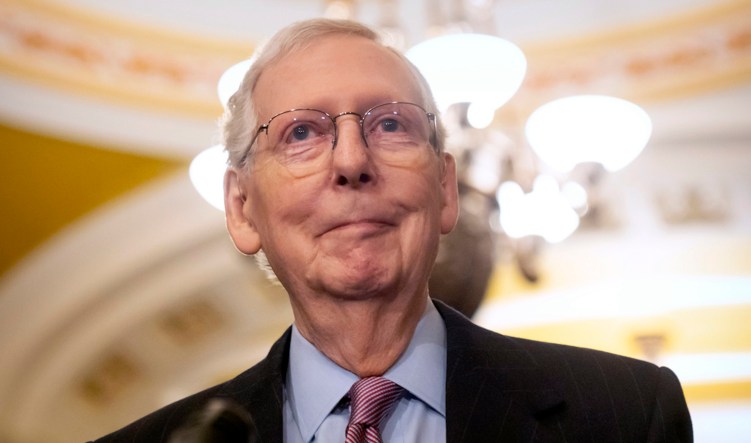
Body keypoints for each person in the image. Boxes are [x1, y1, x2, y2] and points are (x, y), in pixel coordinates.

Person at [91, 18, 693, 442]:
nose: (352, 161)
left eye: (390, 126)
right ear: (243, 208)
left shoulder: (626, 415)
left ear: (446, 189)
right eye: (300, 133)